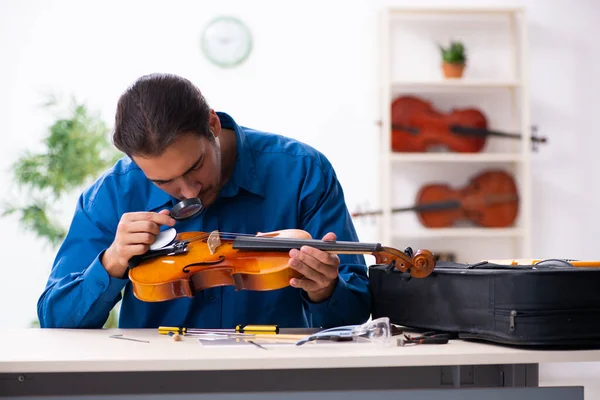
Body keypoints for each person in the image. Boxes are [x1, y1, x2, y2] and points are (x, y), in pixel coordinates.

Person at [37, 73, 371, 329]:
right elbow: (56, 319)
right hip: (157, 385)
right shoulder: (112, 194)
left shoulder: (302, 171)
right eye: (162, 181)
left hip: (275, 380)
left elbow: (355, 312)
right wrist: (111, 262)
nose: (189, 192)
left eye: (195, 166)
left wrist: (325, 289)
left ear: (212, 124)